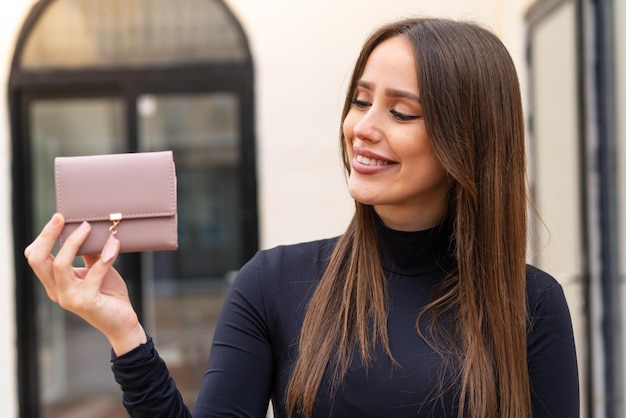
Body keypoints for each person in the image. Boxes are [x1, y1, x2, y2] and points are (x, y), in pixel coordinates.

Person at [24, 17, 579, 418]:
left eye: (401, 111)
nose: (362, 127)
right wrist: (125, 332)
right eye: (361, 101)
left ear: (469, 140)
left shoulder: (531, 306)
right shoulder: (272, 284)